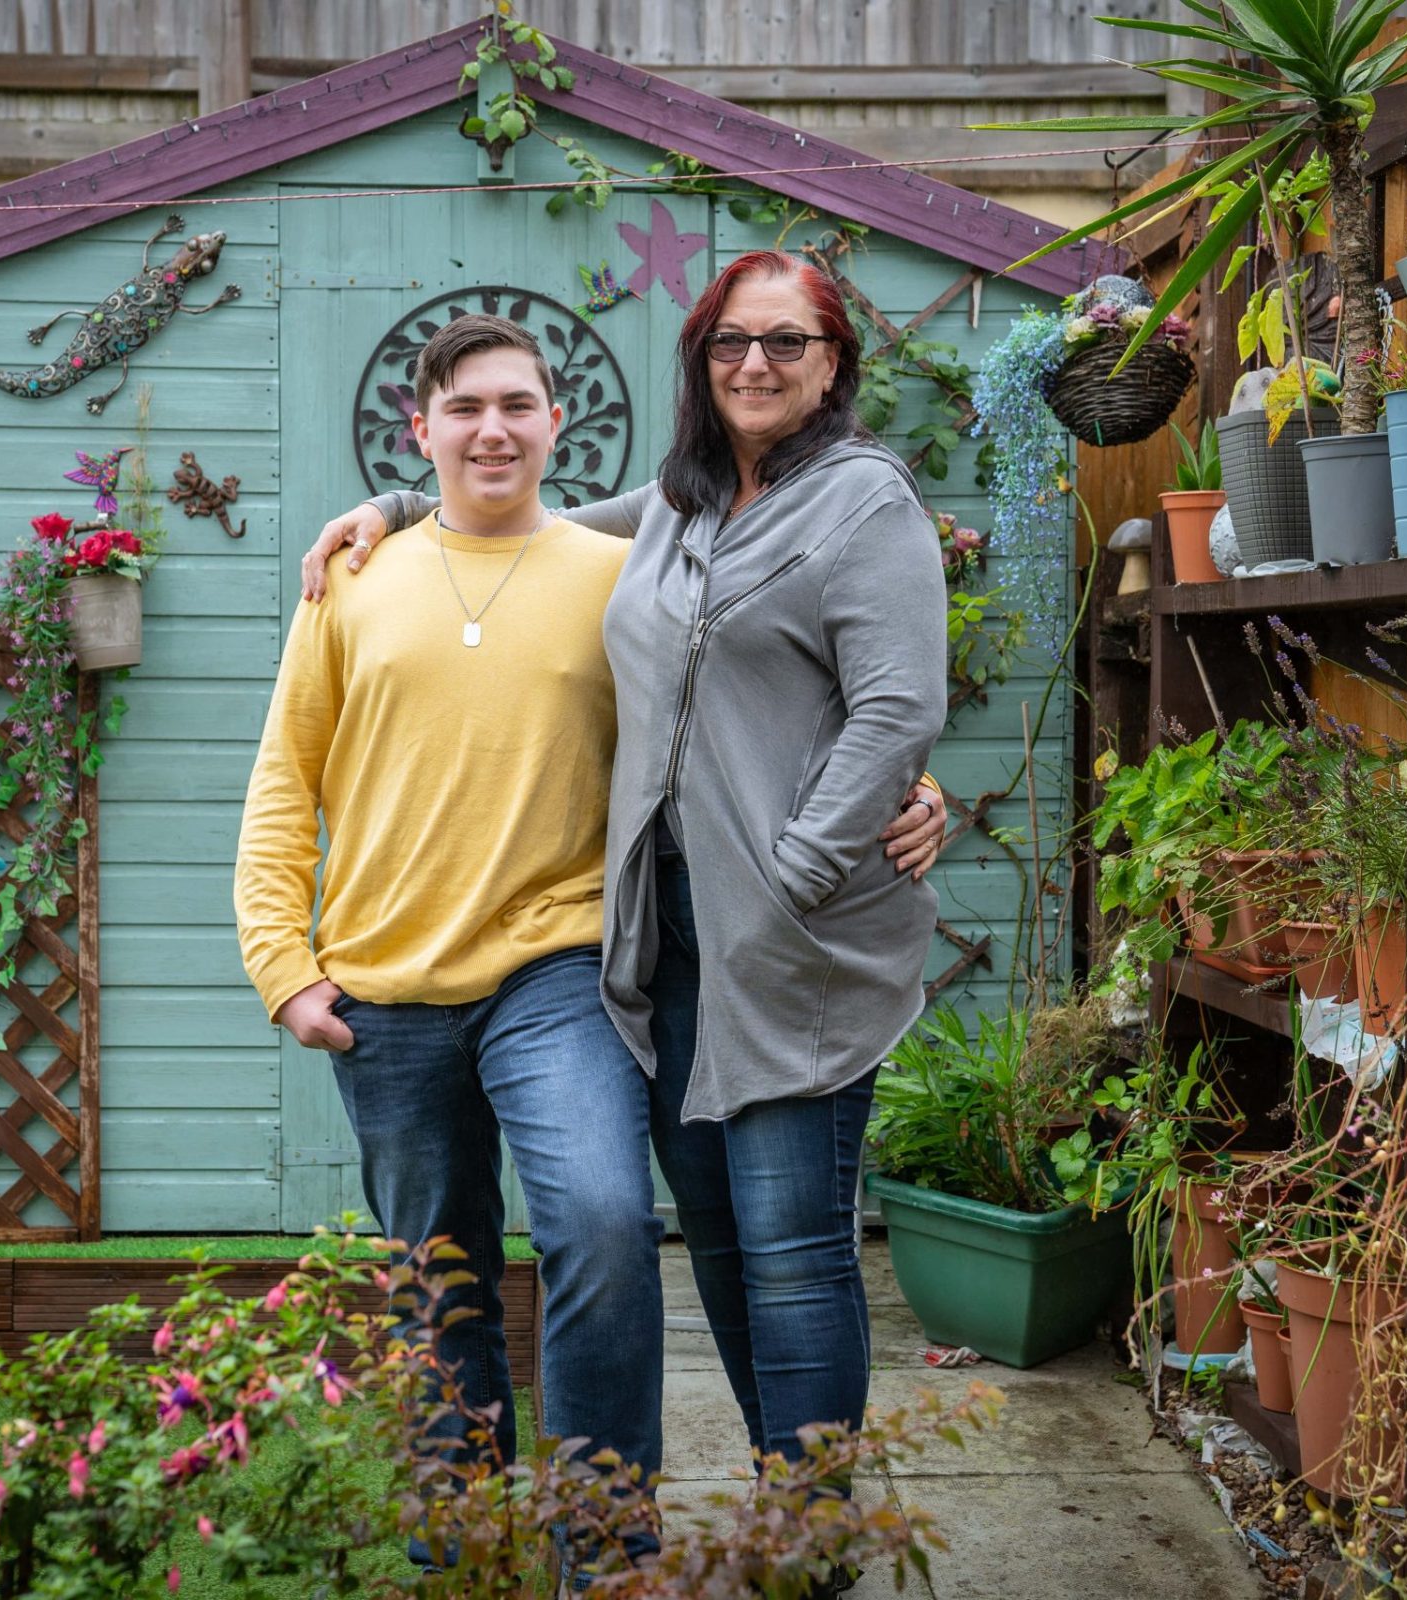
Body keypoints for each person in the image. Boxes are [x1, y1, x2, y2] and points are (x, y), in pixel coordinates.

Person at [305, 249, 950, 1578]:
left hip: (787, 940)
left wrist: (802, 861)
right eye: (728, 344)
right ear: (699, 363)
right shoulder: (682, 503)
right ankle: (787, 1518)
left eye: (786, 343)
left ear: (833, 362)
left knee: (792, 1254)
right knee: (715, 1240)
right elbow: (522, 521)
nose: (755, 367)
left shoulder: (861, 500)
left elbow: (895, 708)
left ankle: (813, 1546)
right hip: (665, 950)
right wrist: (381, 503)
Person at [234, 314, 664, 1579]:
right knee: (441, 1276)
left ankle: (602, 1546)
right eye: (466, 407)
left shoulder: (610, 574)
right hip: (383, 987)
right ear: (417, 429)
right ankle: (464, 1544)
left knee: (599, 1221)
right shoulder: (352, 579)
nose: (493, 428)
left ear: (555, 424)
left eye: (519, 405)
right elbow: (283, 779)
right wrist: (284, 966)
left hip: (558, 964)